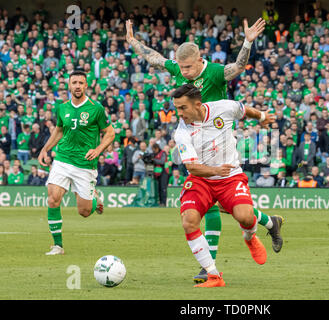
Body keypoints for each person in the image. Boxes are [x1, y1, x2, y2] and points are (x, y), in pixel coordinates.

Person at [126, 17, 284, 284]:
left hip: (218, 131)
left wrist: (247, 42)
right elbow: (155, 58)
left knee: (230, 208)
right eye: (182, 67)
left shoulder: (213, 73)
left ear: (200, 60)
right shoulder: (179, 72)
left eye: (189, 67)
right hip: (192, 135)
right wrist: (132, 41)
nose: (185, 72)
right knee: (209, 204)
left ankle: (258, 228)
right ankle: (216, 263)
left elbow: (238, 67)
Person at [172, 84, 276, 287]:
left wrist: (262, 117)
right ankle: (213, 275)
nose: (179, 113)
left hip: (230, 177)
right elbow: (192, 167)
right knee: (189, 221)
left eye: (183, 108)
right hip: (202, 179)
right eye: (177, 108)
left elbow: (244, 110)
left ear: (198, 105)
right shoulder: (182, 132)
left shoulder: (223, 108)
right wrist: (215, 171)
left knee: (245, 217)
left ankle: (249, 236)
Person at [37, 70, 115, 256]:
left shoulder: (96, 108)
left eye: (81, 82)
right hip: (63, 159)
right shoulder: (62, 107)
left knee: (84, 212)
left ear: (86, 85)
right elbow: (59, 130)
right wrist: (45, 149)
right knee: (53, 198)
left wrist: (97, 150)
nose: (78, 86)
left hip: (85, 164)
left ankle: (94, 199)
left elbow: (110, 133)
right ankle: (58, 246)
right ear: (69, 85)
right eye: (74, 82)